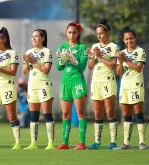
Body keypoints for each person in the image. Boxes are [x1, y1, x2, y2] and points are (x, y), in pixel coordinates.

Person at [54, 22, 88, 150]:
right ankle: (64, 143)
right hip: (65, 83)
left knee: (80, 112)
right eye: (69, 32)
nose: (72, 35)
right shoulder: (62, 47)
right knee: (66, 114)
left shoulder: (82, 48)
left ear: (78, 33)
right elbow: (58, 67)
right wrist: (63, 58)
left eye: (74, 32)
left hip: (77, 82)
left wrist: (71, 58)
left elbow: (82, 67)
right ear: (66, 33)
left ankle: (81, 143)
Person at [87, 19, 119, 150]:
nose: (99, 36)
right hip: (96, 82)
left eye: (101, 33)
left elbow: (112, 65)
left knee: (110, 111)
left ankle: (113, 142)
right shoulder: (95, 46)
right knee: (97, 113)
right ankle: (97, 142)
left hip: (108, 81)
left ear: (107, 33)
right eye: (97, 33)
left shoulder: (113, 47)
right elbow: (90, 67)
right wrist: (92, 57)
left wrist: (99, 56)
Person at [114, 27, 147, 150]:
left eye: (131, 38)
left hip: (136, 84)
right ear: (123, 40)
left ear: (135, 38)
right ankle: (126, 143)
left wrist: (125, 60)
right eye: (127, 39)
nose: (129, 41)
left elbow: (138, 68)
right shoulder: (122, 53)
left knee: (138, 113)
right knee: (127, 114)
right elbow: (118, 72)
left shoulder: (140, 51)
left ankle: (142, 142)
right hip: (125, 86)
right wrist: (120, 61)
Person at [22, 29, 55, 150]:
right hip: (32, 86)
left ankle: (50, 143)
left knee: (47, 115)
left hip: (44, 85)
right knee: (33, 116)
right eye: (32, 37)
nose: (34, 38)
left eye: (36, 36)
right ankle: (33, 143)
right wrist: (26, 62)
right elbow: (24, 72)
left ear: (43, 38)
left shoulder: (46, 52)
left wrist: (33, 61)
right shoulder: (29, 52)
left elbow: (46, 69)